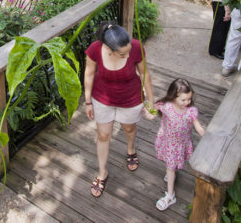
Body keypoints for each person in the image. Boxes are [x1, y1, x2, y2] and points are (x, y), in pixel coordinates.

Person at [84, 22, 155, 198]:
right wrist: (87, 102)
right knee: (103, 135)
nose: (128, 54)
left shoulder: (136, 47)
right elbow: (89, 73)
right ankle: (102, 173)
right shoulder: (95, 49)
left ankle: (131, 150)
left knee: (129, 128)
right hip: (102, 98)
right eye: (123, 53)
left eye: (129, 50)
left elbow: (145, 73)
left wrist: (151, 101)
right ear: (109, 48)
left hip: (130, 97)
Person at [153, 79, 205, 211]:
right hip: (168, 141)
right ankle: (171, 181)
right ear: (173, 96)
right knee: (170, 164)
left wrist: (205, 134)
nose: (187, 102)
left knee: (170, 167)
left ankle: (171, 195)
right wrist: (149, 113)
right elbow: (154, 108)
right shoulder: (166, 106)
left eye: (189, 99)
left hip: (180, 143)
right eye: (183, 100)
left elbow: (198, 126)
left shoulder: (191, 111)